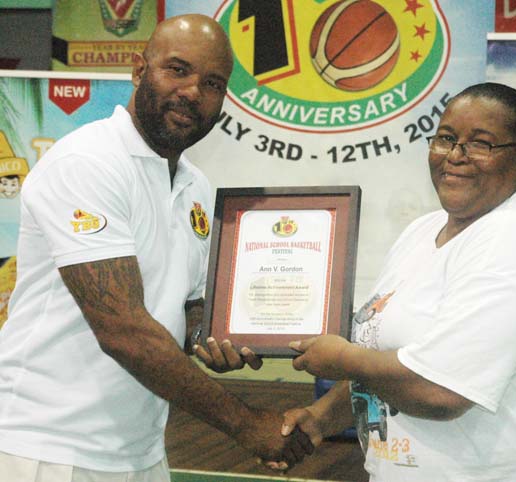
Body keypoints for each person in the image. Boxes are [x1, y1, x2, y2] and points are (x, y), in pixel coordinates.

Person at [0, 14, 311, 482]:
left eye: (212, 83)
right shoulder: (88, 163)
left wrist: (212, 336)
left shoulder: (197, 186)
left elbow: (185, 303)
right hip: (46, 449)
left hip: (140, 450)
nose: (192, 92)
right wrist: (247, 424)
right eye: (178, 69)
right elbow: (123, 329)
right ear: (138, 70)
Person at [278, 82, 516, 481]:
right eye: (446, 138)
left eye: (481, 144)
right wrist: (321, 418)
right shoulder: (422, 231)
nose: (455, 156)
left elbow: (439, 392)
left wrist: (340, 358)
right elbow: (388, 358)